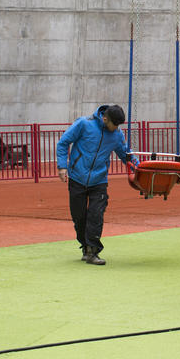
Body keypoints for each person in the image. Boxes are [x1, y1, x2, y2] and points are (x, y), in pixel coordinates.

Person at [57, 104, 138, 266]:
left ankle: (93, 251)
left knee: (96, 215)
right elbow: (63, 143)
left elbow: (125, 154)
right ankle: (85, 247)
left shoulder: (116, 134)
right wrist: (62, 166)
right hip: (77, 177)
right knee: (79, 217)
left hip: (99, 181)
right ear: (105, 118)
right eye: (114, 125)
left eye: (119, 126)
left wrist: (140, 168)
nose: (116, 129)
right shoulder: (84, 124)